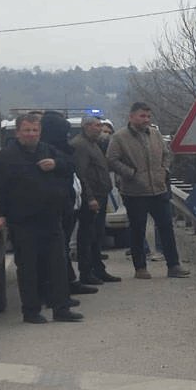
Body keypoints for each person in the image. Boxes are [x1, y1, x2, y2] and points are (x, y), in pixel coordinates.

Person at [0, 114, 84, 323]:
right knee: (28, 268)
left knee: (57, 265)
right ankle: (31, 311)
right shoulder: (5, 157)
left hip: (51, 218)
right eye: (27, 130)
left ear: (40, 132)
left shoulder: (47, 150)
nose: (31, 134)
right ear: (18, 132)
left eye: (35, 131)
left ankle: (61, 308)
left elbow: (71, 165)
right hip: (23, 220)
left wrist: (56, 164)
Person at [105, 102, 190, 279]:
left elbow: (167, 154)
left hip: (158, 189)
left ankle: (173, 265)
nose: (146, 120)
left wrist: (164, 170)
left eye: (148, 116)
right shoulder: (120, 137)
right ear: (132, 117)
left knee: (166, 227)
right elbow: (112, 160)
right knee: (137, 230)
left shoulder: (155, 134)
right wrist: (131, 173)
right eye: (142, 116)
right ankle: (140, 267)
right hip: (135, 192)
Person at [39, 111, 97, 298]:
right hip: (53, 207)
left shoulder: (60, 152)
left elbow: (72, 171)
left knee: (62, 248)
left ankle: (67, 284)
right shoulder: (45, 151)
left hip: (68, 205)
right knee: (55, 250)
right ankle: (57, 289)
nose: (66, 138)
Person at [70, 116, 121, 285]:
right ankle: (87, 272)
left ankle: (98, 269)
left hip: (101, 194)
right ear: (86, 127)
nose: (100, 129)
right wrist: (89, 198)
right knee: (88, 236)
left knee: (97, 235)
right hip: (91, 198)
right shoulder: (80, 145)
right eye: (97, 125)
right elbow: (81, 174)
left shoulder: (93, 144)